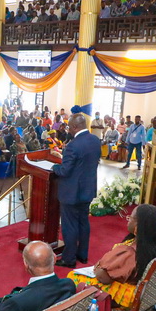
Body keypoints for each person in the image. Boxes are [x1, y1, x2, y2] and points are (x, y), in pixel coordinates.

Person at [67, 204, 156, 308]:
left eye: (130, 218)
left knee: (72, 276)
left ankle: (78, 309)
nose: (127, 220)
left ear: (138, 227)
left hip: (124, 296)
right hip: (142, 291)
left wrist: (99, 266)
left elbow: (104, 278)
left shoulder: (130, 251)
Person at [52, 114, 101, 268]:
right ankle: (82, 255)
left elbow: (65, 171)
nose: (68, 129)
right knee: (83, 222)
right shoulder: (95, 140)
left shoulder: (73, 145)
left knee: (70, 225)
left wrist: (54, 167)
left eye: (69, 126)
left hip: (71, 193)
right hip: (87, 190)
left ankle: (69, 259)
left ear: (74, 127)